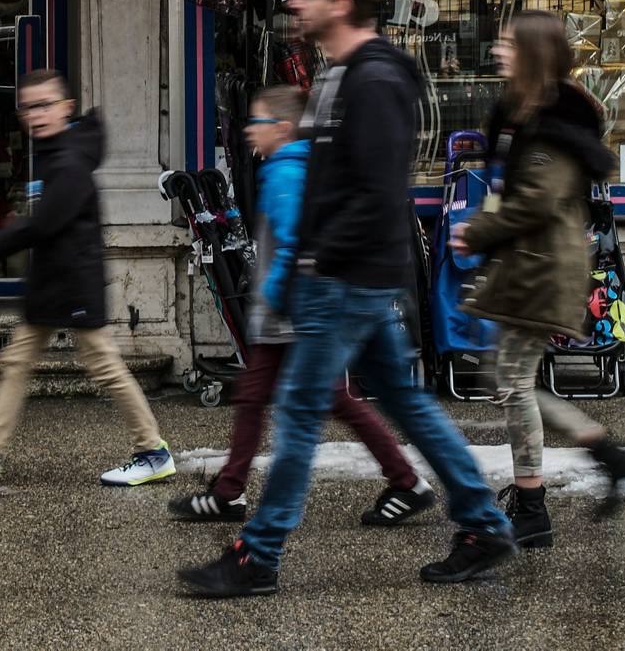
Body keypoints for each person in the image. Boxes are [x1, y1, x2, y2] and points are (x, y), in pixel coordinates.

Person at [178, 0, 513, 599]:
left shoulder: (375, 79)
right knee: (405, 403)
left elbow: (376, 186)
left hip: (347, 275)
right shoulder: (342, 75)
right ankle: (482, 523)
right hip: (347, 270)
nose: (294, 4)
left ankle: (259, 554)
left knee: (302, 408)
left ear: (341, 5)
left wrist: (319, 259)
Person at [168, 86, 433, 527]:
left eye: (258, 122)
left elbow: (292, 244)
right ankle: (231, 491)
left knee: (307, 399)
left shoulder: (287, 173)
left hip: (290, 314)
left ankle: (404, 481)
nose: (250, 130)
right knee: (273, 397)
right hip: (291, 312)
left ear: (283, 128)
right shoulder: (292, 168)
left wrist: (270, 294)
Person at [0, 70, 175, 487]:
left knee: (104, 365)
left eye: (45, 105)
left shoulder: (69, 160)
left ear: (66, 108)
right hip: (53, 279)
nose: (36, 115)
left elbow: (44, 225)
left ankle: (153, 452)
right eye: (28, 106)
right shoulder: (56, 152)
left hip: (73, 281)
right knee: (18, 360)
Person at [452, 11, 625, 547]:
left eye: (509, 43)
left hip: (543, 269)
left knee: (510, 384)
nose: (497, 50)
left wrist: (478, 231)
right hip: (527, 265)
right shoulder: (519, 113)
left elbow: (535, 201)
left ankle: (533, 506)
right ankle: (604, 454)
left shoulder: (556, 124)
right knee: (507, 381)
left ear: (534, 52)